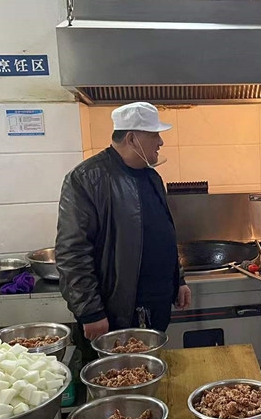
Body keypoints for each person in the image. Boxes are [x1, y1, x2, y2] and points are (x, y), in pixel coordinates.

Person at [56, 102, 192, 344]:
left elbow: (164, 232)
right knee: (118, 368)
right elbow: (72, 252)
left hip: (157, 307)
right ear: (131, 139)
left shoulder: (152, 176)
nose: (160, 142)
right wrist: (90, 311)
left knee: (152, 364)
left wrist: (178, 280)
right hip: (116, 314)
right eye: (154, 135)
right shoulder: (86, 179)